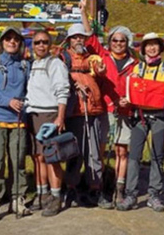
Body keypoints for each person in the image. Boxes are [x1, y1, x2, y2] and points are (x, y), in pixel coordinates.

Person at [81, 2, 138, 204]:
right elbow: (90, 37)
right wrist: (83, 12)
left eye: (122, 41)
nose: (118, 43)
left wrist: (130, 100)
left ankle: (119, 189)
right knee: (103, 149)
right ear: (110, 41)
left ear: (127, 42)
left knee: (122, 151)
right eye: (114, 40)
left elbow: (139, 87)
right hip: (106, 110)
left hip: (126, 111)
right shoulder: (103, 55)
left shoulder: (135, 63)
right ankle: (100, 187)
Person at [116, 32, 164, 213]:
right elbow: (137, 91)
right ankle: (131, 195)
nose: (151, 48)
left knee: (157, 156)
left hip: (159, 116)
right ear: (143, 48)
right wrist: (130, 98)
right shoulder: (137, 68)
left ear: (160, 47)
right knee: (134, 155)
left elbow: (158, 89)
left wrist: (139, 89)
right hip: (139, 115)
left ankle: (154, 195)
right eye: (148, 45)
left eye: (155, 44)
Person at [0, 26, 30, 221]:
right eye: (8, 39)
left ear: (20, 43)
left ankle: (18, 199)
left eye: (15, 39)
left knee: (18, 162)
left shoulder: (25, 66)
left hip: (18, 121)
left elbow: (28, 91)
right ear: (2, 42)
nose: (12, 42)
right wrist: (8, 101)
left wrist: (23, 102)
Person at [61, 23, 112, 209]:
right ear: (69, 40)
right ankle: (72, 189)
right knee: (75, 152)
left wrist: (101, 71)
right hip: (75, 112)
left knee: (94, 152)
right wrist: (74, 84)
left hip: (94, 110)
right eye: (74, 37)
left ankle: (95, 188)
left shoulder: (92, 58)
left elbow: (101, 73)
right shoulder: (63, 58)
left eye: (81, 37)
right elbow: (60, 77)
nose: (78, 40)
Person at [25, 29, 70, 216]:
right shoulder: (32, 64)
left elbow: (63, 91)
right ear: (33, 45)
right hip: (33, 114)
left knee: (52, 158)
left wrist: (60, 116)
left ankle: (56, 196)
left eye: (44, 42)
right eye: (37, 42)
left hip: (50, 114)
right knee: (38, 157)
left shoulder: (56, 64)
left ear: (50, 45)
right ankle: (42, 193)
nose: (41, 45)